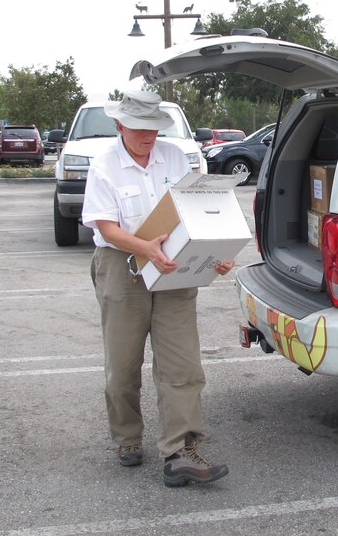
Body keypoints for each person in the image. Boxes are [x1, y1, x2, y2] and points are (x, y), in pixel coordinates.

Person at [82, 89, 233, 487]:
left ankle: (181, 450)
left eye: (154, 127)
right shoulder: (104, 166)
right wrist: (144, 247)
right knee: (123, 366)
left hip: (173, 266)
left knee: (182, 364)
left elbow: (197, 209)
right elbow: (106, 227)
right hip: (122, 265)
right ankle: (128, 438)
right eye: (139, 128)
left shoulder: (175, 157)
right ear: (119, 125)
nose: (149, 135)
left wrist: (215, 249)